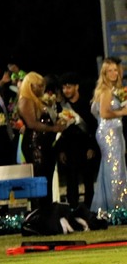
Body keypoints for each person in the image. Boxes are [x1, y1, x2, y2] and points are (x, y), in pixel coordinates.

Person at [18, 72, 67, 219]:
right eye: (38, 86)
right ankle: (39, 215)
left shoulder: (38, 101)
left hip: (45, 143)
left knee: (47, 177)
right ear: (30, 86)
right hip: (35, 144)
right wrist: (53, 129)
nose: (41, 89)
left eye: (42, 86)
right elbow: (32, 124)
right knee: (39, 179)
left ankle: (47, 213)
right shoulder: (26, 100)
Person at [55, 72, 98, 212]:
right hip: (69, 147)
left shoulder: (87, 104)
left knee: (88, 180)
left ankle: (89, 210)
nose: (66, 90)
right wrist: (61, 150)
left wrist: (92, 147)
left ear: (76, 87)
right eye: (64, 88)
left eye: (69, 87)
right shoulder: (62, 107)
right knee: (71, 180)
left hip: (85, 146)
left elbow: (94, 126)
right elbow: (60, 131)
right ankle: (72, 210)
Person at [91, 58, 127, 215]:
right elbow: (104, 113)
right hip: (109, 134)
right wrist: (122, 112)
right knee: (115, 169)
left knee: (113, 168)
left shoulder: (114, 90)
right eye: (109, 71)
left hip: (115, 132)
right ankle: (116, 207)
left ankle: (109, 207)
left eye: (115, 70)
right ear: (104, 73)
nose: (113, 73)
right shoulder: (105, 90)